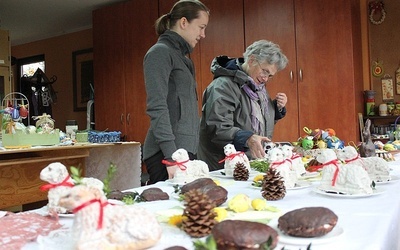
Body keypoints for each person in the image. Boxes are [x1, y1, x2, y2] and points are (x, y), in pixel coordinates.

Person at [142, 0, 210, 184]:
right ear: (183, 22)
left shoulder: (183, 58)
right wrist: (170, 156)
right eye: (201, 27)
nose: (203, 34)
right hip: (168, 154)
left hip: (183, 151)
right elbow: (157, 107)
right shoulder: (160, 53)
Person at [198, 40, 289, 171]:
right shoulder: (223, 86)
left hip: (246, 161)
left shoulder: (257, 88)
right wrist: (248, 138)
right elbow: (217, 127)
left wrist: (277, 108)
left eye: (270, 75)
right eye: (264, 71)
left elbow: (257, 124)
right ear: (252, 60)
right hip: (224, 165)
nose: (265, 78)